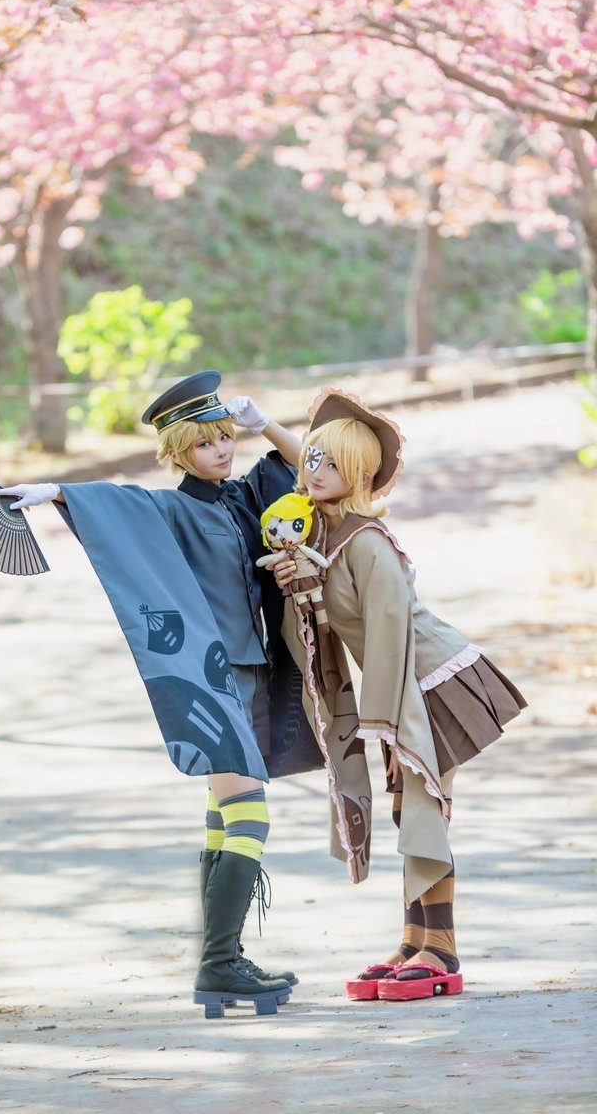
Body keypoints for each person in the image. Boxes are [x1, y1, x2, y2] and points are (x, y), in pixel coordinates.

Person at [0, 372, 317, 1018]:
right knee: (246, 809)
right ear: (175, 453)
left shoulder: (243, 498)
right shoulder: (172, 508)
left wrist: (266, 422)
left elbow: (302, 468)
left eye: (225, 438)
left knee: (226, 814)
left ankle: (223, 960)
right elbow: (115, 503)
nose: (221, 451)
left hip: (250, 670)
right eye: (204, 444)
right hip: (209, 674)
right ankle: (220, 961)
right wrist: (53, 492)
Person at [273, 388, 526, 1002]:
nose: (314, 473)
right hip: (403, 686)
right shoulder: (324, 538)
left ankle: (442, 950)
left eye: (329, 465)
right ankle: (417, 940)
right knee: (407, 809)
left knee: (422, 808)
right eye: (310, 461)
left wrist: (380, 721)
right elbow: (322, 632)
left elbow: (389, 630)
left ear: (358, 476)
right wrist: (298, 587)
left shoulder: (366, 542)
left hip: (434, 681)